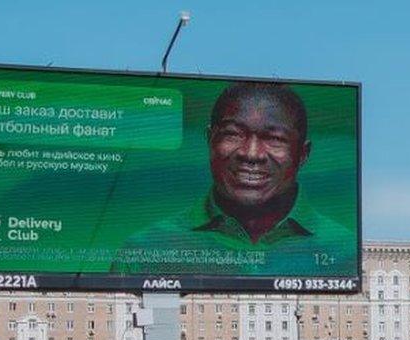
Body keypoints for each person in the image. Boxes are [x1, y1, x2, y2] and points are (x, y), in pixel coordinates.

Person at [115, 82, 356, 276]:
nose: (251, 154)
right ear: (210, 140)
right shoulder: (146, 248)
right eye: (233, 134)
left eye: (274, 139)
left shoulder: (344, 250)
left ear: (303, 154)